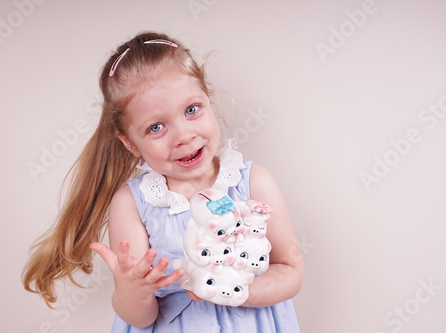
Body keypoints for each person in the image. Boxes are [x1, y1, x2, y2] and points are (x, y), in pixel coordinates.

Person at [22, 31, 304, 332]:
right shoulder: (132, 204)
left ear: (208, 99)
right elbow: (138, 317)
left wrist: (237, 291)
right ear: (129, 143)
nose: (183, 136)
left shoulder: (253, 182)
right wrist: (133, 291)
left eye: (192, 110)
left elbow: (290, 269)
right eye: (156, 127)